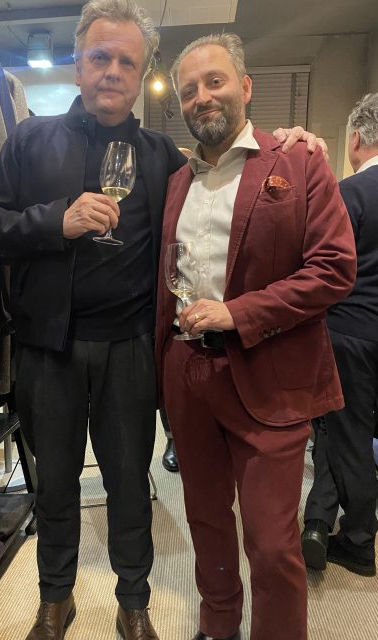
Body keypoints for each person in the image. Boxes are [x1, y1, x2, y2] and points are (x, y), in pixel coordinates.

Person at [0, 1, 328, 637]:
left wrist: (294, 142)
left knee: (131, 486)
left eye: (127, 62)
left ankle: (134, 602)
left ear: (141, 75)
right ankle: (55, 599)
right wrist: (54, 221)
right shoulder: (28, 140)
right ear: (79, 64)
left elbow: (228, 168)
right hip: (47, 349)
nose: (112, 71)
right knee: (55, 486)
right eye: (99, 57)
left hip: (131, 350)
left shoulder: (164, 156)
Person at [154, 34, 356, 640]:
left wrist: (236, 313)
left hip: (271, 373)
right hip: (187, 374)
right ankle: (218, 626)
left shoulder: (299, 161)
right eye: (189, 90)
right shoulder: (176, 182)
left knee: (271, 542)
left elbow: (333, 268)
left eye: (214, 81)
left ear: (245, 87)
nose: (201, 97)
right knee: (206, 520)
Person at [302, 93, 378, 578]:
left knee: (347, 436)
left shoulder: (350, 194)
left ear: (355, 139)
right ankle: (319, 521)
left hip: (351, 332)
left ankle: (359, 539)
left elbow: (323, 267)